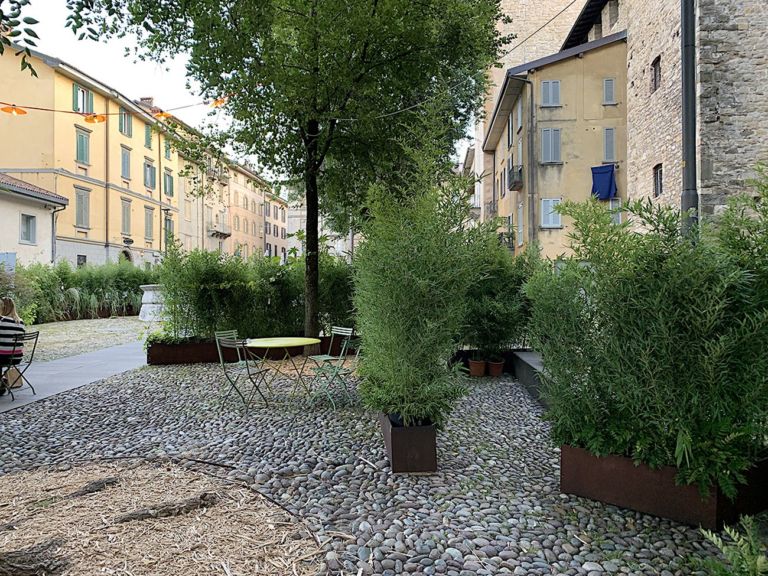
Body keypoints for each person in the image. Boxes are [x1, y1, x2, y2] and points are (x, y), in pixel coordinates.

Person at [0, 298, 25, 391]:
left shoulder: (1, 321)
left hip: (3, 358)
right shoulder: (21, 322)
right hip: (16, 358)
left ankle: (1, 384)